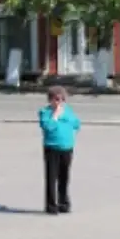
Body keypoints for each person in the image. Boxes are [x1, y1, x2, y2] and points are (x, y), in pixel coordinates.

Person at [38, 86, 81, 214]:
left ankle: (64, 203)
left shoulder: (67, 111)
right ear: (50, 100)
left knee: (64, 177)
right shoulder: (45, 112)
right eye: (57, 99)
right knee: (51, 177)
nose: (60, 102)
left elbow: (76, 124)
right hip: (52, 148)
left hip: (67, 147)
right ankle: (51, 205)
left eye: (62, 99)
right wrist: (55, 116)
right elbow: (48, 127)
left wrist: (65, 117)